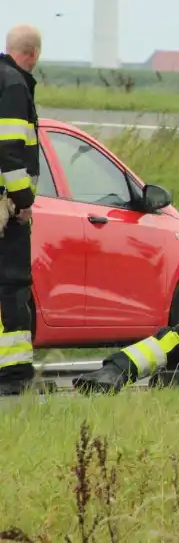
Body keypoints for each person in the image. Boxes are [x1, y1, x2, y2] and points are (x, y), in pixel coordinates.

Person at [0, 25, 43, 395]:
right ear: (32, 54)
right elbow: (11, 151)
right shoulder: (14, 86)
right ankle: (13, 374)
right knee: (12, 285)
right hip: (7, 209)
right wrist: (23, 202)